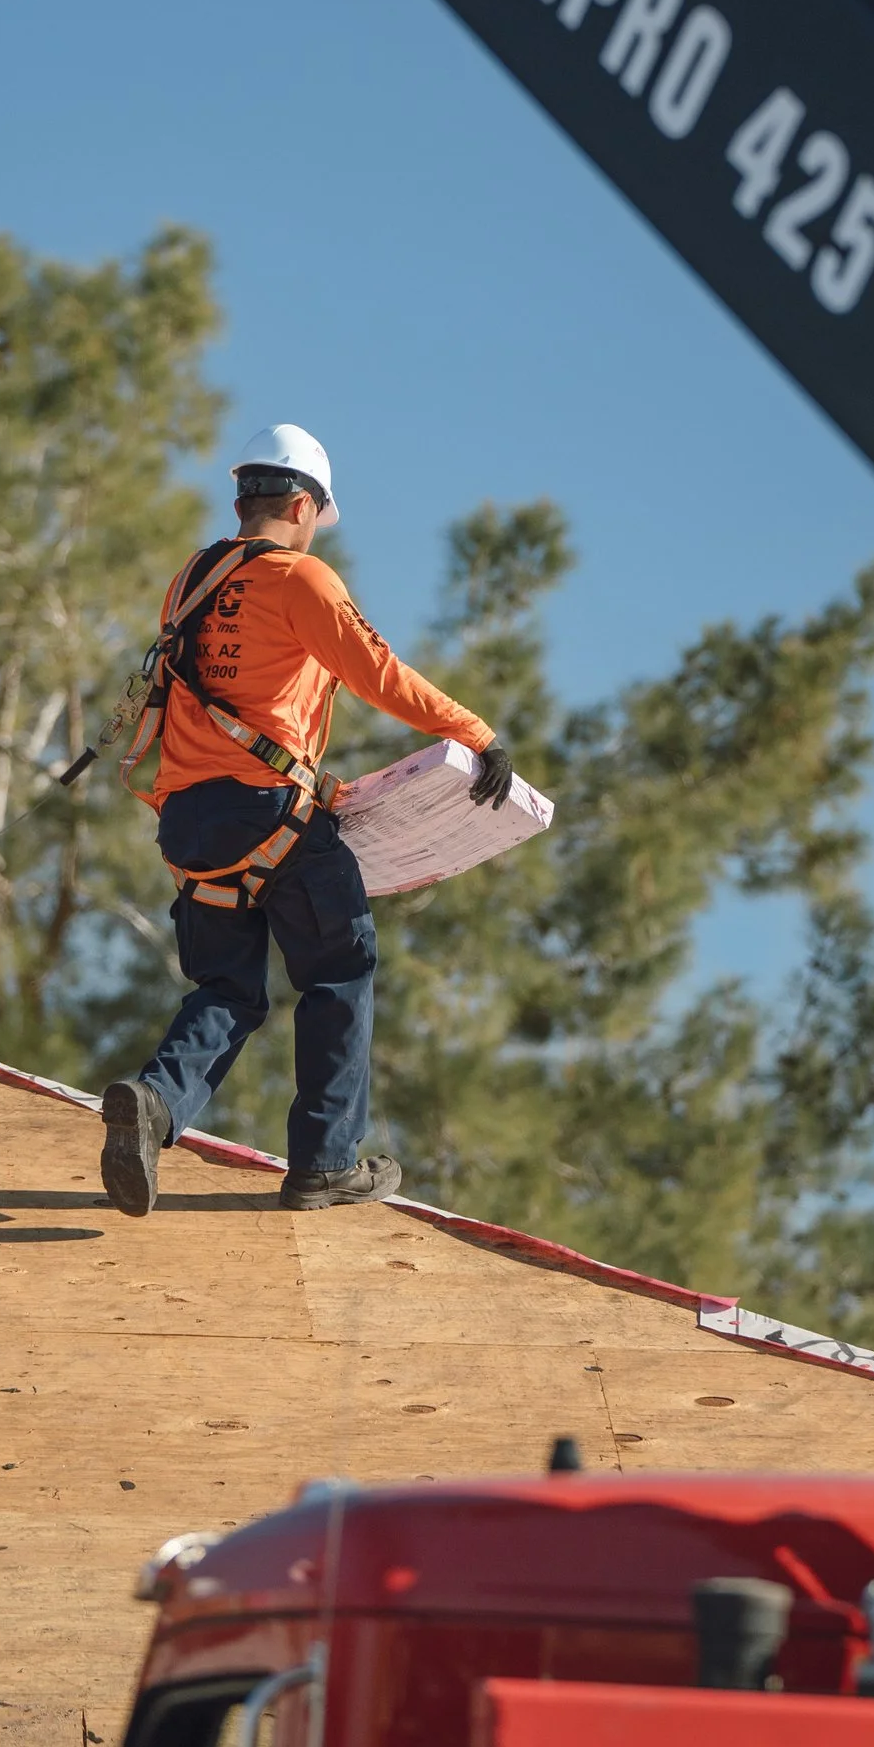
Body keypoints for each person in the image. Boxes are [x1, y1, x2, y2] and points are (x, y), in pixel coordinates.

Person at [102, 424, 515, 1215]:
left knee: (227, 986)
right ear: (301, 504)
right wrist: (475, 732)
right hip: (270, 815)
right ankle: (324, 1165)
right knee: (338, 968)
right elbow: (379, 673)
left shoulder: (192, 577)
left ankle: (154, 1107)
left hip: (191, 823)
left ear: (241, 498)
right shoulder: (304, 581)